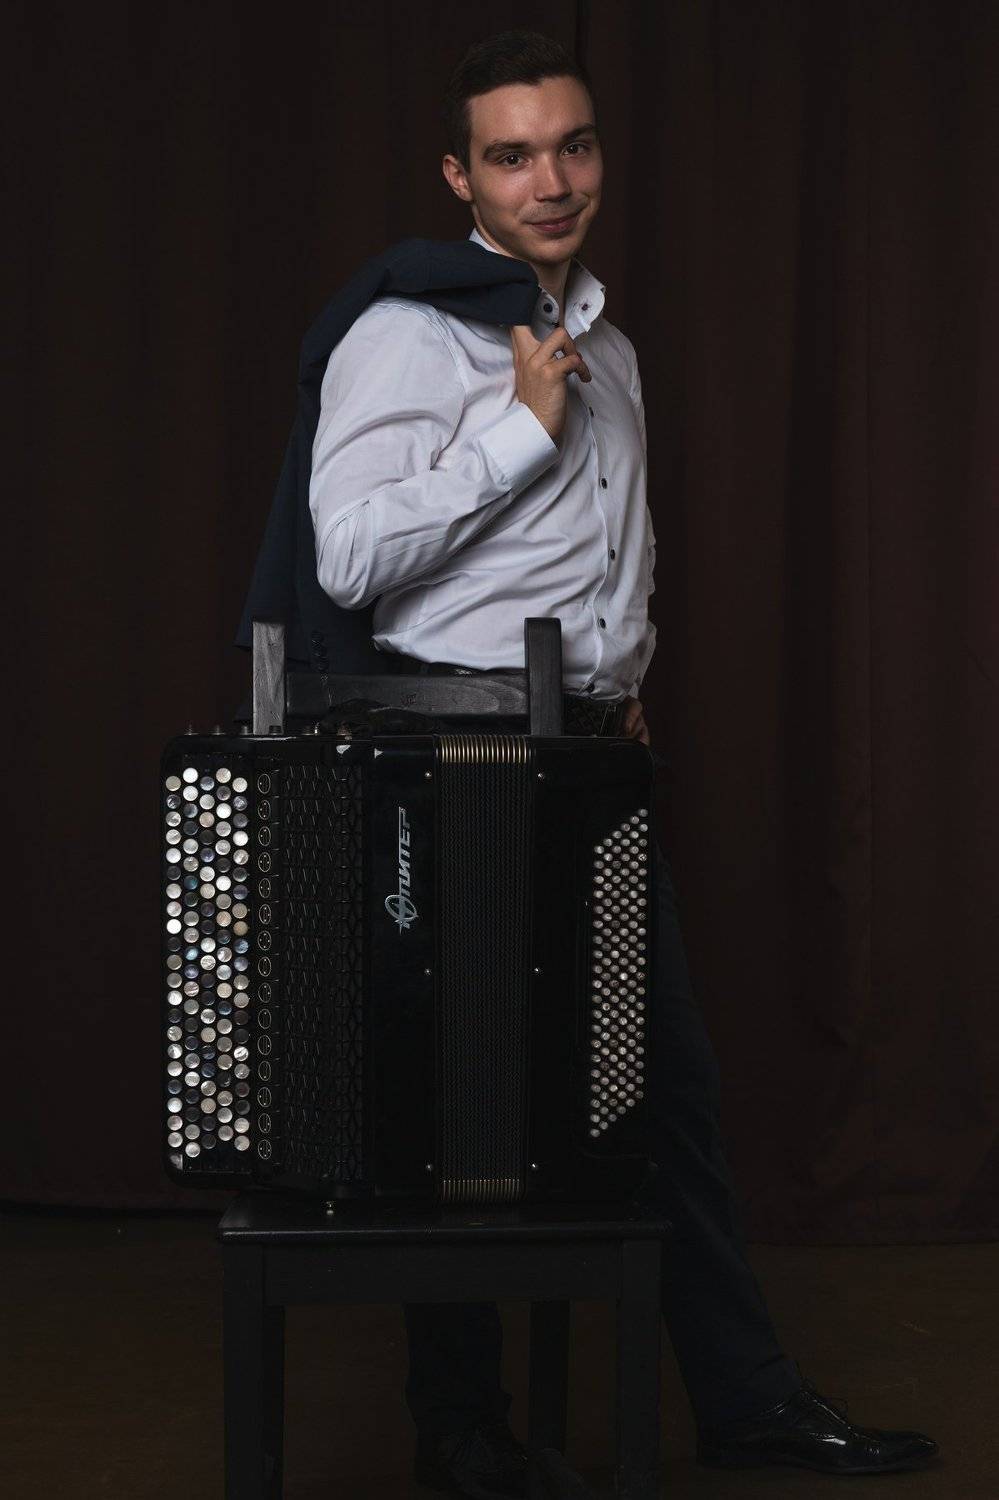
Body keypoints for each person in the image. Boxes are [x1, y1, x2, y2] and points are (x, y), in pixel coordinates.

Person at [306, 28, 938, 1497]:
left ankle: (745, 1399)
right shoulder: (410, 334)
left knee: (660, 1088)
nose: (550, 181)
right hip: (452, 756)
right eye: (513, 156)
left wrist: (619, 682)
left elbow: (597, 560)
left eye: (573, 147)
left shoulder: (617, 348)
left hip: (587, 762)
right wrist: (519, 433)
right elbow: (351, 553)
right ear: (460, 176)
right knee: (465, 1104)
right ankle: (461, 1430)